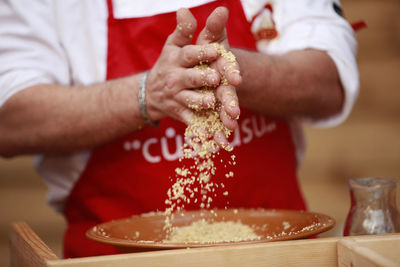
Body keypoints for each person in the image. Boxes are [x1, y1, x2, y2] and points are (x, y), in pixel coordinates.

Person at [0, 0, 358, 258]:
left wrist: (231, 68)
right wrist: (147, 93)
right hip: (113, 257)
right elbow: (10, 120)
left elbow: (330, 81)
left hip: (279, 255)